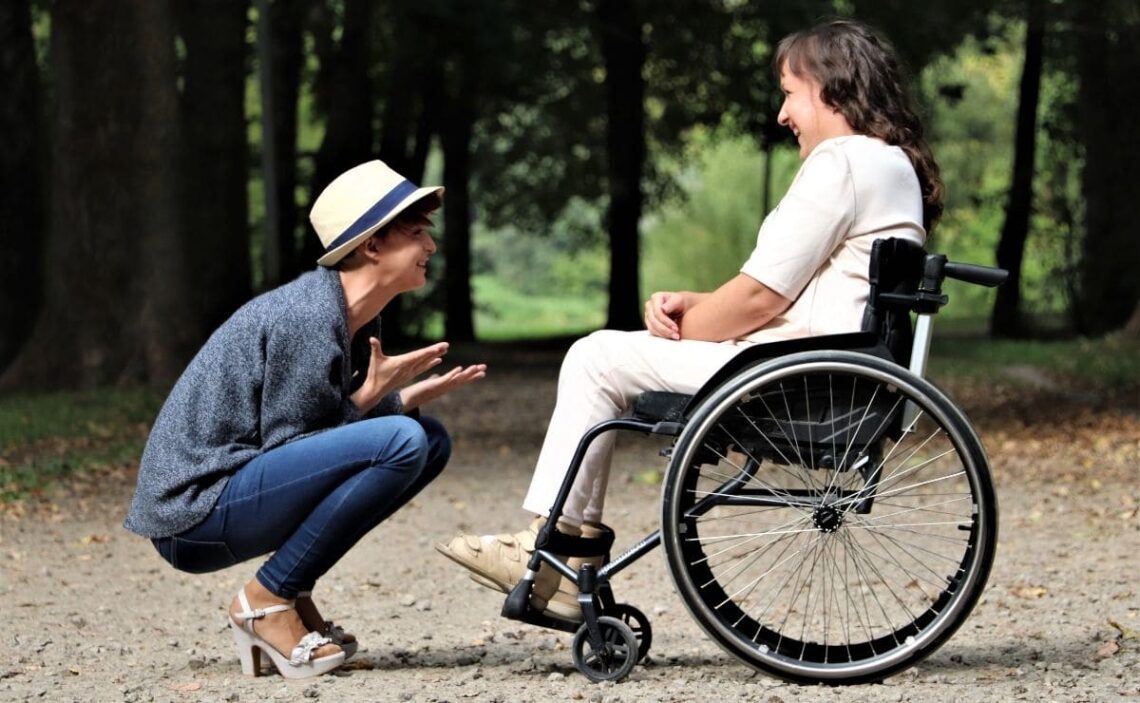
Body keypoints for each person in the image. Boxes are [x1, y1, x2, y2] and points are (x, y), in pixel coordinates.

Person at [436, 19, 942, 622]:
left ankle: (558, 556)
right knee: (609, 353)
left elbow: (759, 302)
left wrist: (682, 327)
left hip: (796, 376)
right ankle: (562, 553)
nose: (783, 115)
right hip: (827, 366)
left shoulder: (845, 161)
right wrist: (693, 303)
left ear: (831, 88)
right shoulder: (890, 166)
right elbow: (793, 295)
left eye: (788, 92)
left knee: (596, 357)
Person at [124, 160, 487, 679]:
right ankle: (265, 601)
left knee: (428, 440)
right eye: (416, 233)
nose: (430, 246)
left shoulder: (348, 315)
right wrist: (374, 398)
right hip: (193, 512)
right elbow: (295, 445)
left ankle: (286, 590)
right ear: (372, 246)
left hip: (237, 490)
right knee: (405, 440)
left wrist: (395, 400)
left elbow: (315, 441)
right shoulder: (307, 317)